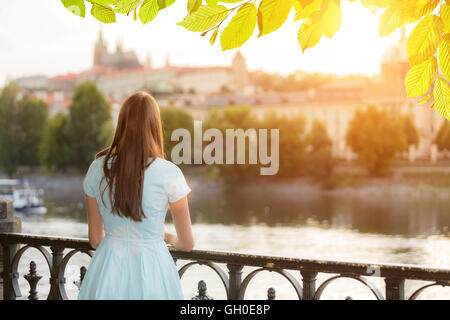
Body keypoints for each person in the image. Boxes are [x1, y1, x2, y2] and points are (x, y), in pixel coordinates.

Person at [78, 91, 194, 300]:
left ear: (122, 124)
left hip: (107, 271)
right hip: (154, 273)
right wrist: (165, 236)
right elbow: (187, 243)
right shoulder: (169, 172)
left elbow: (95, 240)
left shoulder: (97, 168)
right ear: (154, 125)